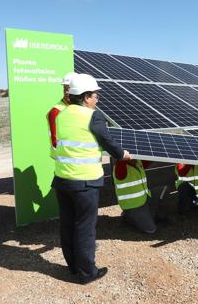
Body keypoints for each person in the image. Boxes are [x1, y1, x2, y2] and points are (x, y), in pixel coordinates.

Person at [51, 73, 131, 284]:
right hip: (84, 183)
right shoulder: (92, 116)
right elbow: (106, 139)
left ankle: (73, 268)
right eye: (95, 95)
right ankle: (87, 273)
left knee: (67, 224)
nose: (97, 99)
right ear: (86, 97)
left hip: (62, 179)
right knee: (85, 228)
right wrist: (121, 154)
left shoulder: (62, 114)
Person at [113, 159, 167, 234]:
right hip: (133, 206)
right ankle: (129, 216)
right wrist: (123, 156)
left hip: (145, 198)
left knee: (163, 190)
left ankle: (148, 215)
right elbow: (121, 160)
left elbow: (148, 160)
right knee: (151, 229)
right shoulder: (120, 167)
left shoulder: (137, 162)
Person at [46, 72, 76, 157]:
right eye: (65, 88)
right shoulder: (56, 111)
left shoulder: (82, 107)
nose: (66, 92)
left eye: (69, 88)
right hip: (65, 158)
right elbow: (55, 140)